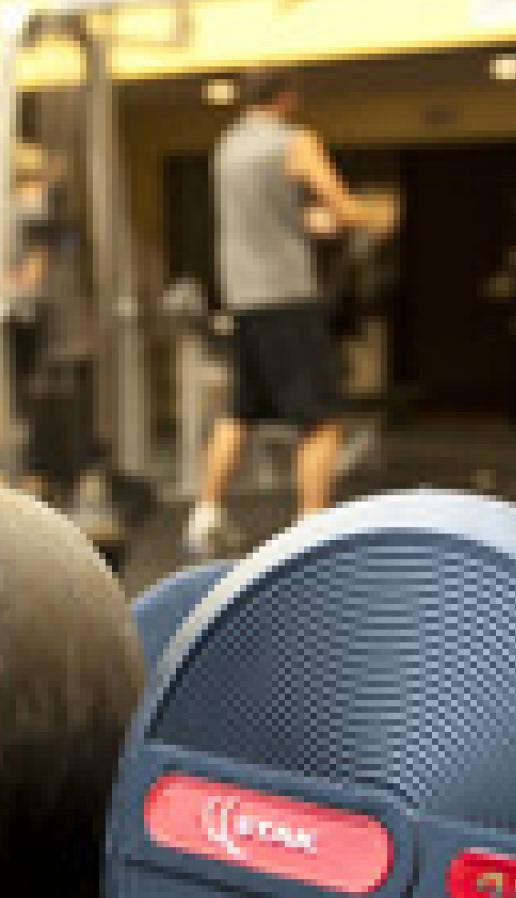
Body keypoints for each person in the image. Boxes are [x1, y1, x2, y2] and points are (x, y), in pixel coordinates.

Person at [186, 69, 393, 556]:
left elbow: (262, 215)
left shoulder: (228, 147)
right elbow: (343, 207)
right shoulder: (296, 142)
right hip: (287, 297)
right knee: (321, 421)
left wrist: (303, 223)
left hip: (244, 299)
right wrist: (376, 216)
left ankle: (205, 515)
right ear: (288, 96)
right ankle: (311, 532)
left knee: (240, 412)